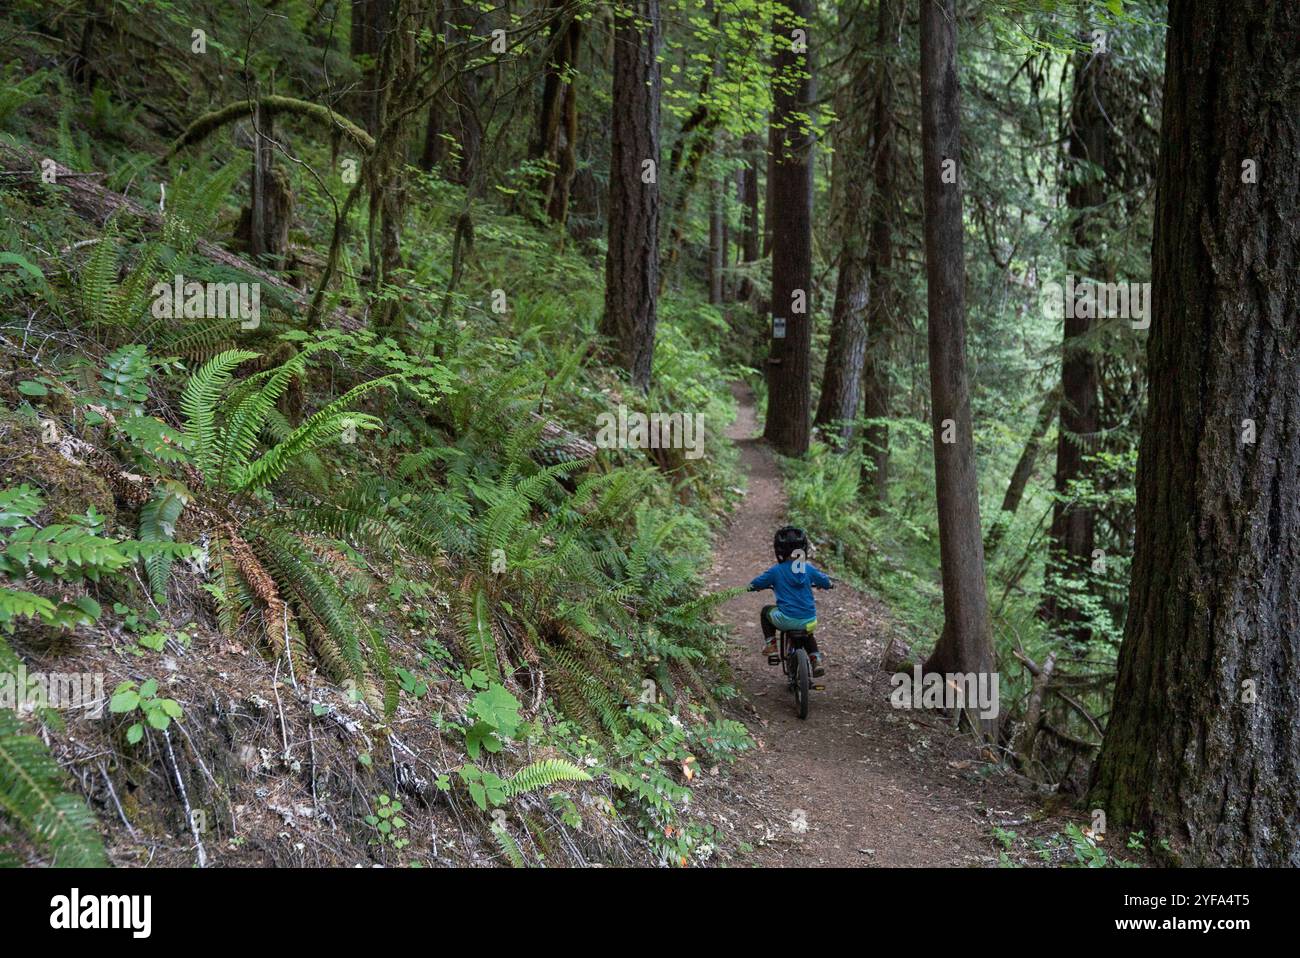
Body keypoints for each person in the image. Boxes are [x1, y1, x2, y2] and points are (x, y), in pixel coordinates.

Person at [747, 526, 833, 676]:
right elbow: (825, 582)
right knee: (808, 634)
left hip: (786, 620)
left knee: (765, 611)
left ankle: (771, 646)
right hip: (809, 619)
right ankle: (816, 660)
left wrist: (754, 587)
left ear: (779, 550)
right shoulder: (808, 568)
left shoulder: (776, 571)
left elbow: (755, 583)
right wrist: (829, 584)